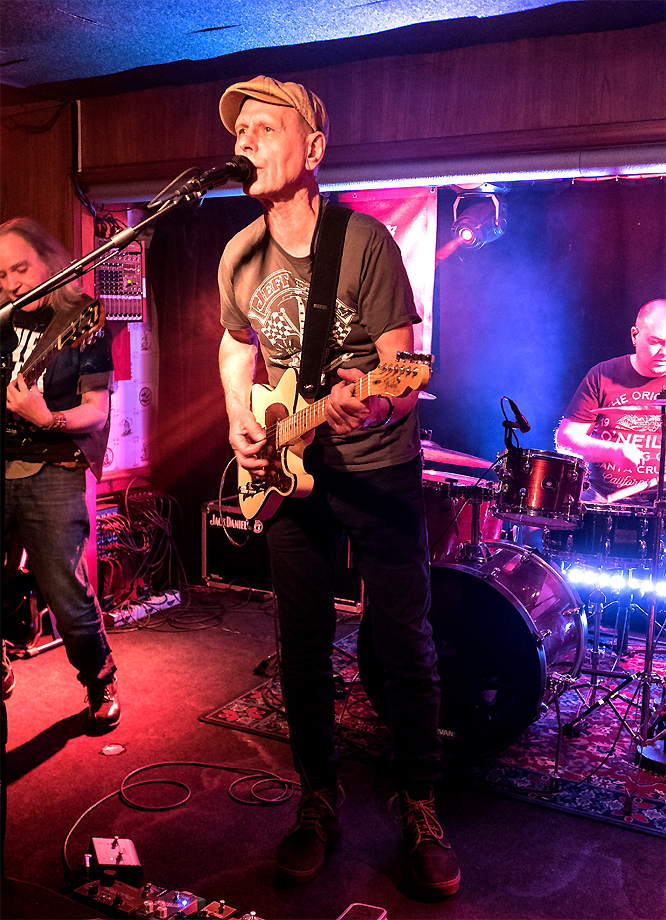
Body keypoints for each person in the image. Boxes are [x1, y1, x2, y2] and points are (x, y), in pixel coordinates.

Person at [216, 75, 459, 899]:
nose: (246, 139)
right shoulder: (238, 255)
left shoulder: (365, 243)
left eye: (266, 126)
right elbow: (235, 345)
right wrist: (240, 421)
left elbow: (406, 365)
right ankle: (318, 799)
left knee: (403, 639)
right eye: (240, 130)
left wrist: (377, 401)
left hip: (377, 468)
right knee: (302, 645)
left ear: (314, 148)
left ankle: (419, 802)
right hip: (287, 475)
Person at [1, 218, 120, 730]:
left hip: (52, 467)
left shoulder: (83, 322)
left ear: (50, 263)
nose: (12, 284)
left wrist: (44, 416)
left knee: (65, 593)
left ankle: (99, 677)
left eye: (20, 269)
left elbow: (97, 411)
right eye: (1, 275)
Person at [556, 299, 666, 503]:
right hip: (601, 496)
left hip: (661, 501)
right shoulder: (603, 375)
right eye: (655, 342)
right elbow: (566, 439)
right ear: (635, 335)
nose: (663, 353)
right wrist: (611, 451)